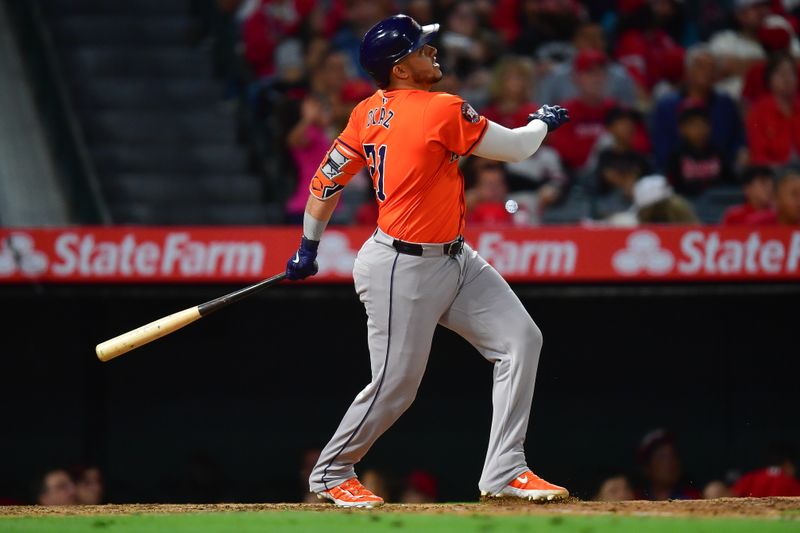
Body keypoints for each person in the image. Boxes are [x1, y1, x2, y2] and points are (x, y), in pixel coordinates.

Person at [284, 14, 571, 508]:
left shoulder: (366, 113)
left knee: (520, 339)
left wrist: (308, 246)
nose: (432, 51)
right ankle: (331, 472)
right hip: (402, 267)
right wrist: (542, 120)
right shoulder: (440, 109)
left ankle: (505, 468)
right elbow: (521, 149)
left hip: (455, 258)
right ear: (399, 68)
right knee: (396, 386)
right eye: (420, 48)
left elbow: (323, 183)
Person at [651, 44, 746, 171]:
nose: (707, 72)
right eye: (700, 66)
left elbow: (738, 141)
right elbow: (662, 151)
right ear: (688, 69)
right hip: (679, 176)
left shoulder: (725, 103)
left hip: (722, 174)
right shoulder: (667, 105)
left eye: (712, 67)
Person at [665, 106, 735, 197]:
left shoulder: (718, 152)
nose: (699, 129)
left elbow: (730, 182)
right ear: (682, 129)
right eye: (693, 125)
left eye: (703, 124)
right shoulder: (676, 155)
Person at [746, 54, 800, 167]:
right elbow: (759, 156)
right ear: (769, 79)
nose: (787, 78)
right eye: (781, 73)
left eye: (790, 73)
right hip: (774, 172)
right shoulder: (758, 111)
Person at [636, 429, 701, 500]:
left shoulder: (693, 498)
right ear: (646, 467)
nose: (670, 462)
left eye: (673, 455)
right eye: (662, 456)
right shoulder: (634, 498)